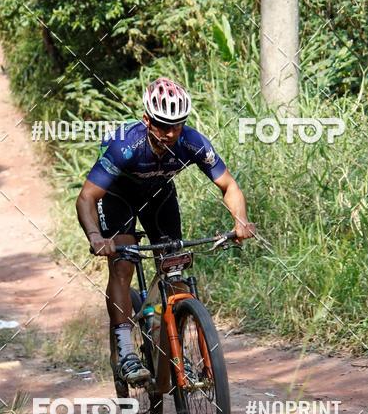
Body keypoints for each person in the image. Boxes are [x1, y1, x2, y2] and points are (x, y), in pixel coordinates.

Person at [76, 77, 256, 384]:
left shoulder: (191, 141)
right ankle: (124, 351)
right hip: (118, 198)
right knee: (122, 265)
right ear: (147, 120)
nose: (170, 133)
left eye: (177, 125)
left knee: (174, 267)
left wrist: (240, 220)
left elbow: (229, 186)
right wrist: (96, 237)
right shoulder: (125, 147)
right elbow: (86, 198)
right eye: (161, 125)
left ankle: (166, 340)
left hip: (159, 197)